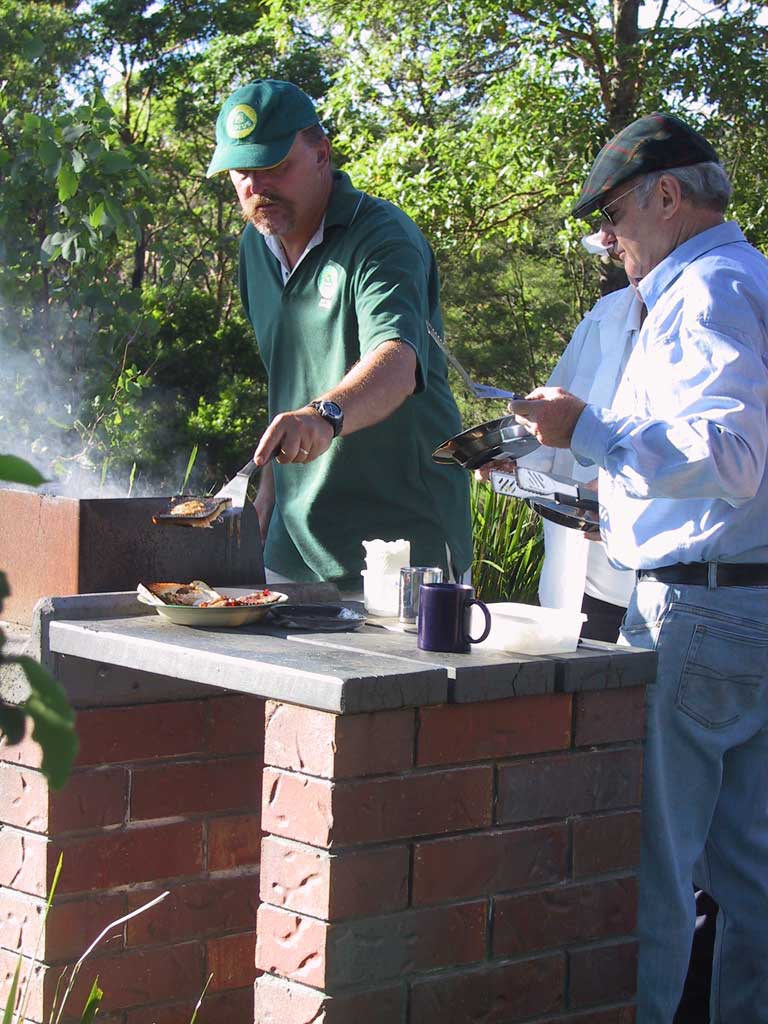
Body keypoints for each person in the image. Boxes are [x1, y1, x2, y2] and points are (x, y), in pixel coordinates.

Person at [507, 112, 768, 1023]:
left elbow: (730, 455)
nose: (607, 240)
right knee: (752, 880)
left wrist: (587, 428)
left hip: (698, 609)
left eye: (612, 215)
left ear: (666, 196)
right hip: (746, 603)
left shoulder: (702, 291)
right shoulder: (752, 277)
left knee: (654, 876)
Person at [206, 80, 472, 589]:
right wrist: (267, 495)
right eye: (242, 172)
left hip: (403, 544)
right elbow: (288, 377)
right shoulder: (254, 247)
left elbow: (397, 362)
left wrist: (323, 415)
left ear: (322, 154)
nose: (257, 186)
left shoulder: (382, 237)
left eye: (275, 166)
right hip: (292, 539)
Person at [517, 266, 643, 641]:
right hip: (577, 583)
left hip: (655, 588)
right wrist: (508, 459)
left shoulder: (707, 309)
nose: (612, 243)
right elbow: (547, 419)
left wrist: (622, 490)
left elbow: (720, 453)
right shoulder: (602, 316)